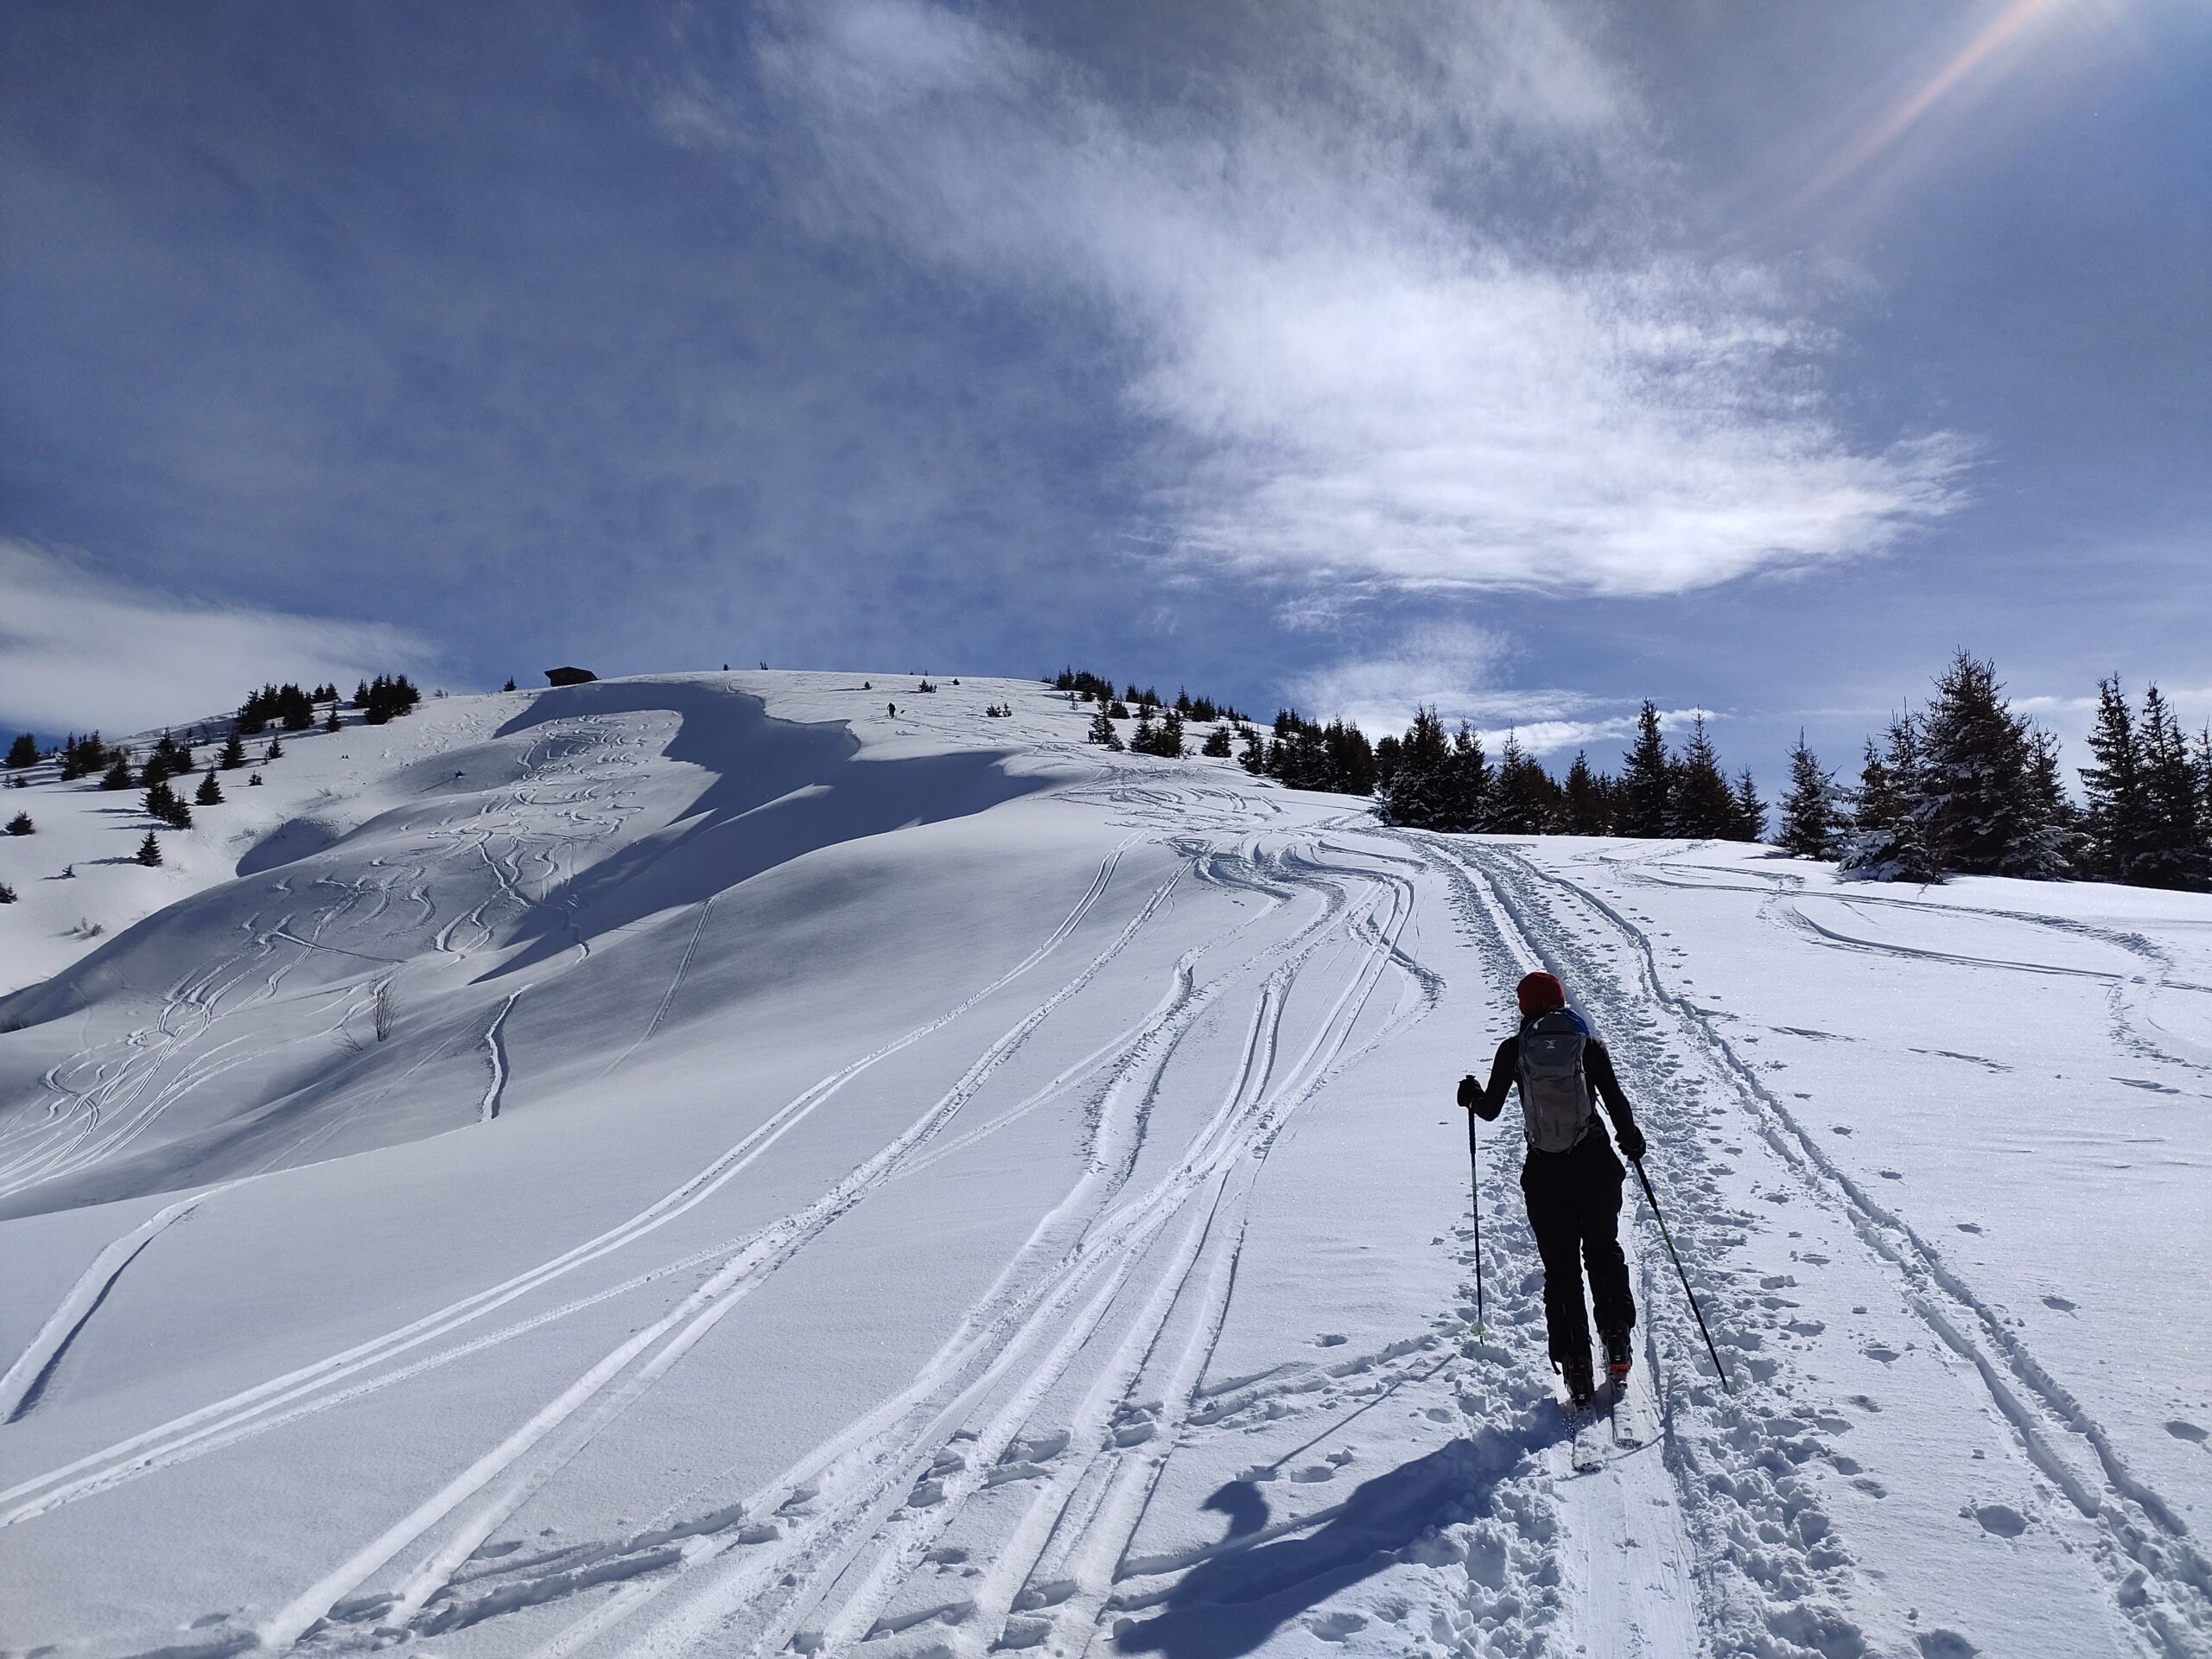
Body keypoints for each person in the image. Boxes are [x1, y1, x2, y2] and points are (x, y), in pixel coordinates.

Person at [1459, 970, 1647, 1407]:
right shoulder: (1587, 1045)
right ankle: (1616, 1343)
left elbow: (1487, 1110)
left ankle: (1576, 1364)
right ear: (1561, 1001)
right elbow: (1615, 1100)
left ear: (1523, 1007)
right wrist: (1630, 1138)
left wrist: (1469, 1095)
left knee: (1561, 1271)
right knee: (1603, 1250)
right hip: (1596, 1167)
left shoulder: (1515, 1050)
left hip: (1546, 1176)